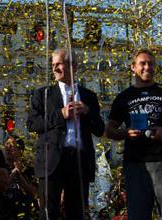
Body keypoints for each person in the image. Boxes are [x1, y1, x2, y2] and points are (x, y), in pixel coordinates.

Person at [105, 49, 162, 220]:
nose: (147, 67)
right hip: (135, 163)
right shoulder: (123, 97)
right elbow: (109, 130)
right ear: (133, 67)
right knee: (137, 214)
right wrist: (126, 133)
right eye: (142, 63)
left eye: (151, 63)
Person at [27, 48, 105, 220]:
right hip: (51, 160)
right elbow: (32, 124)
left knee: (76, 212)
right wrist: (61, 115)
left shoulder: (88, 96)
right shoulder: (43, 94)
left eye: (59, 64)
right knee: (48, 212)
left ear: (74, 66)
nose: (54, 69)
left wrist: (88, 112)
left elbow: (100, 129)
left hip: (78, 160)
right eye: (53, 64)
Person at [0, 135, 38, 220]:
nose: (7, 148)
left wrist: (19, 175)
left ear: (21, 151)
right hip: (5, 214)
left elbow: (35, 193)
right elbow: (1, 187)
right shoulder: (0, 168)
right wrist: (14, 172)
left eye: (11, 145)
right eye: (6, 145)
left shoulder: (28, 170)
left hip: (25, 214)